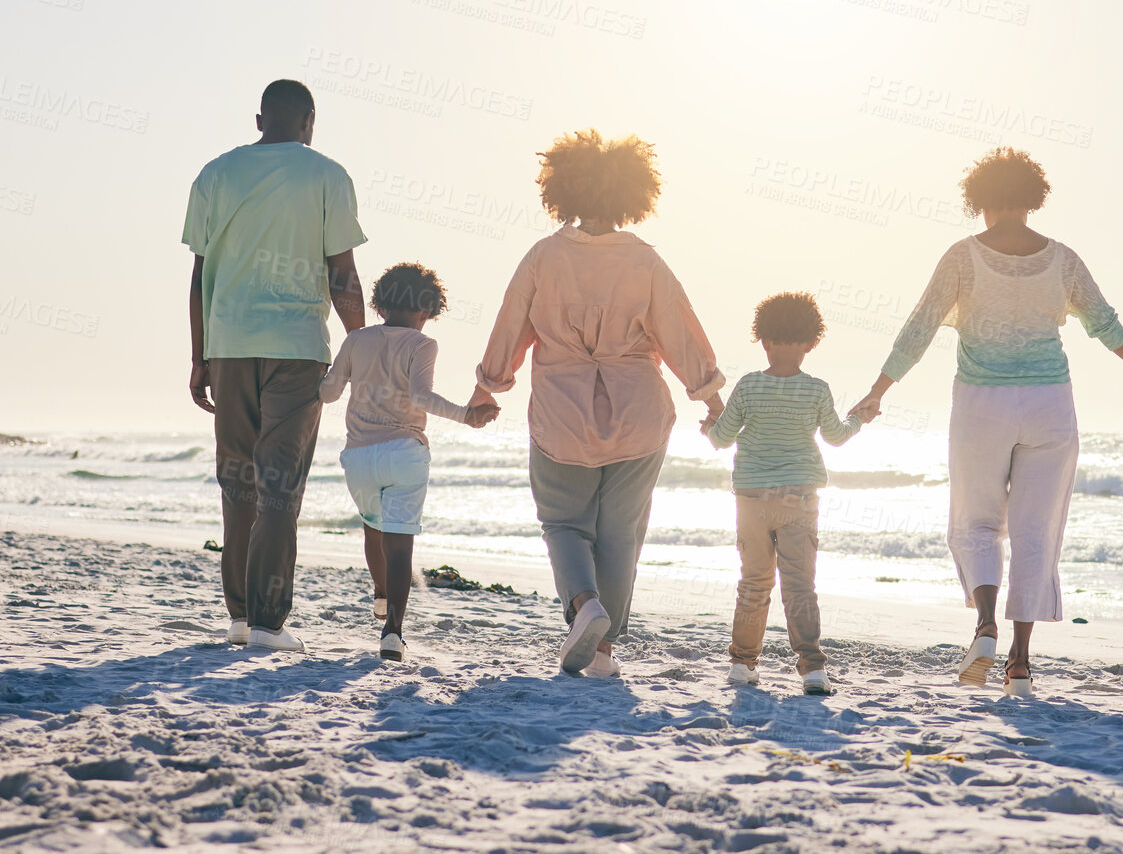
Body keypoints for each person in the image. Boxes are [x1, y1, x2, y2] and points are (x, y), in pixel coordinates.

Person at [849, 148, 1123, 695]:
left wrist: (879, 391)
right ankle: (1020, 662)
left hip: (981, 403)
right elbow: (1106, 325)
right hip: (1050, 406)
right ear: (1031, 198)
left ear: (981, 198)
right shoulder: (1062, 259)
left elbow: (919, 329)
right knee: (1035, 531)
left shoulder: (962, 256)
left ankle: (985, 625)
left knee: (975, 524)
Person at [469, 129, 724, 678]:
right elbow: (680, 334)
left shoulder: (542, 257)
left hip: (562, 414)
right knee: (621, 533)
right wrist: (711, 397)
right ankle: (604, 653)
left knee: (564, 524)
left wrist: (487, 388)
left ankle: (585, 606)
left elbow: (510, 326)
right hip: (639, 414)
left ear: (563, 190)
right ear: (634, 193)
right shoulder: (646, 262)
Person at [183, 79, 367, 653]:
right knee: (280, 485)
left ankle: (238, 616)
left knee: (237, 481)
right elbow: (342, 275)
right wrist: (361, 343)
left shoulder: (214, 173)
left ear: (259, 120)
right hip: (297, 349)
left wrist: (199, 356)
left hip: (229, 344)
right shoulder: (328, 176)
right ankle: (267, 623)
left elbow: (198, 276)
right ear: (310, 122)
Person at [319, 262, 499, 661]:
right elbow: (421, 398)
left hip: (360, 456)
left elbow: (329, 393)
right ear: (427, 310)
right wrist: (467, 415)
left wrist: (315, 375)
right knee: (400, 547)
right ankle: (393, 633)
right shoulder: (422, 345)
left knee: (372, 529)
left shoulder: (357, 340)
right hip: (404, 452)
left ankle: (381, 595)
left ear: (380, 305)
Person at [704, 292, 873, 696]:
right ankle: (812, 669)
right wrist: (859, 419)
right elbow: (835, 437)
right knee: (799, 585)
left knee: (754, 583)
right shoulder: (816, 390)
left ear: (763, 339)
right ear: (811, 342)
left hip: (751, 499)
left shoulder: (748, 386)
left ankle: (743, 664)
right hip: (798, 497)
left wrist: (708, 427)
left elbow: (722, 439)